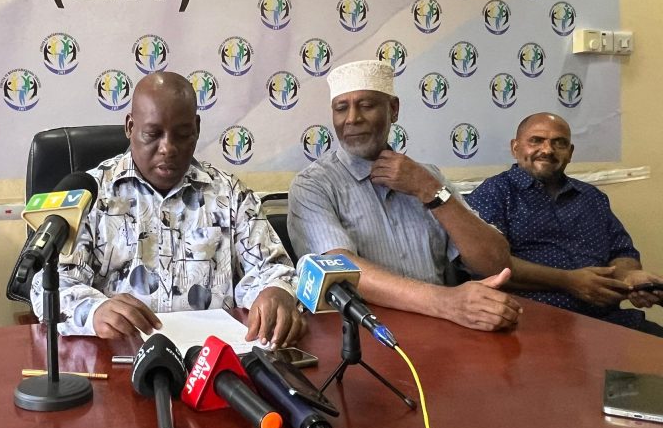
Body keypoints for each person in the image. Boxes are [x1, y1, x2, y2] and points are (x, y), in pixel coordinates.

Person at [32, 72, 305, 347]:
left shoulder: (230, 194)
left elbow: (273, 268)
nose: (168, 148)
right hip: (121, 355)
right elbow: (49, 286)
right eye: (153, 134)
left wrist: (277, 291)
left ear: (196, 128)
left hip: (211, 358)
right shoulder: (90, 194)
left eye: (182, 135)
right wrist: (94, 312)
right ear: (130, 126)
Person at [288, 59, 520, 332]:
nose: (352, 118)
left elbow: (494, 262)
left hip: (442, 330)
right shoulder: (313, 184)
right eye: (341, 108)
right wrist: (447, 302)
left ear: (394, 109)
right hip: (363, 335)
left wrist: (429, 190)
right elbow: (339, 272)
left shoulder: (428, 176)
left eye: (366, 105)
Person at [468, 112, 663, 336]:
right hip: (532, 327)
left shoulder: (592, 197)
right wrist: (568, 281)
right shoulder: (494, 194)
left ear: (570, 153)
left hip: (609, 322)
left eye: (559, 143)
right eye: (536, 141)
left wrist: (628, 277)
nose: (547, 150)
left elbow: (622, 251)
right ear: (515, 147)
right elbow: (489, 265)